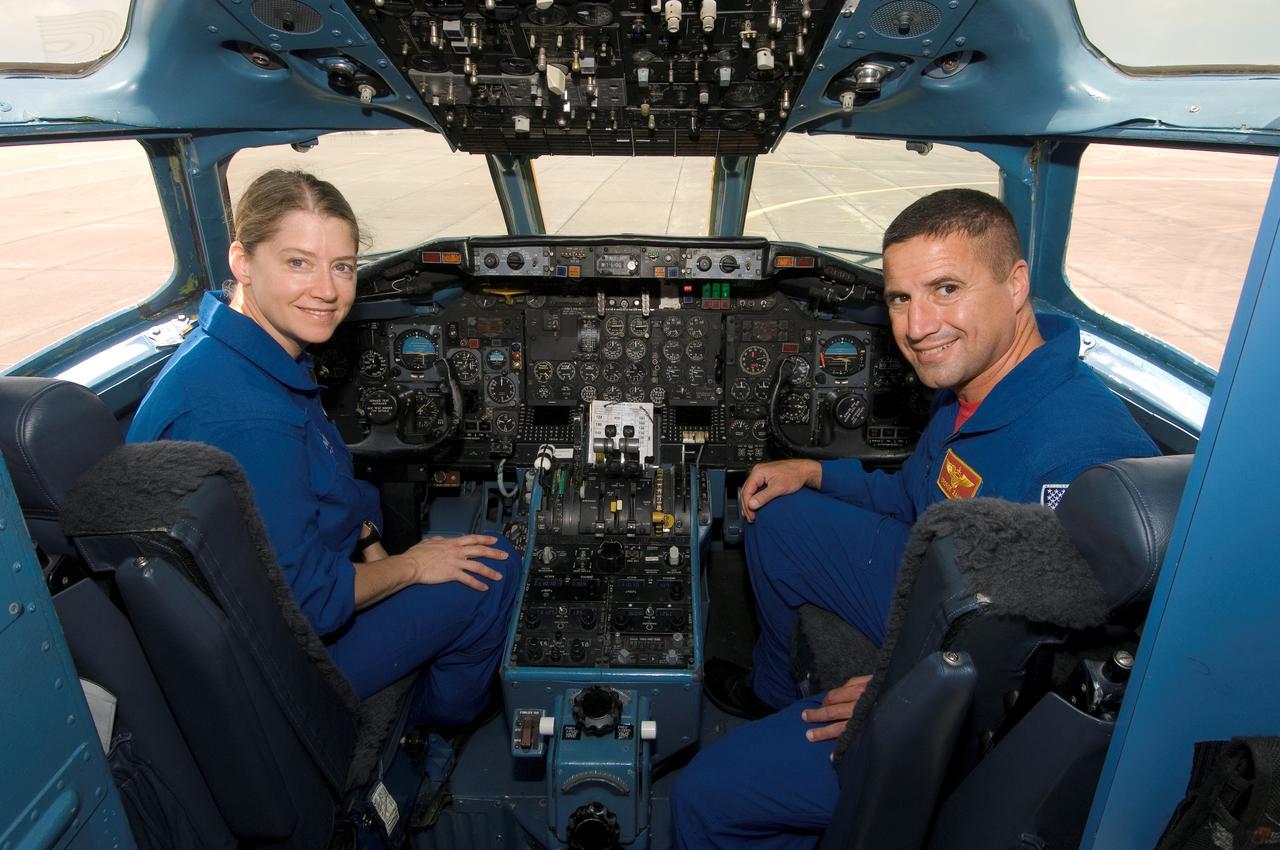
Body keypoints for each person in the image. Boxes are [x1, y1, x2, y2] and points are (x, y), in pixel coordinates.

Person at [673, 189, 1158, 849]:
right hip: (939, 590)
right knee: (775, 514)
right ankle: (772, 692)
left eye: (946, 289)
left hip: (974, 691)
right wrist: (815, 472)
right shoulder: (971, 387)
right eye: (900, 298)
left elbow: (1058, 661)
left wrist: (902, 690)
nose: (918, 326)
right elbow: (913, 495)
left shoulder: (1079, 456)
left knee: (703, 801)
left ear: (1016, 284)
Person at [128, 169, 519, 727]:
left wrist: (371, 539)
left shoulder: (244, 358)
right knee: (493, 567)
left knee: (448, 555)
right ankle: (432, 727)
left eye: (342, 266)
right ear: (242, 261)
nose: (328, 291)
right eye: (298, 262)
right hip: (277, 667)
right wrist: (411, 566)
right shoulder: (245, 417)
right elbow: (310, 601)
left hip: (260, 619)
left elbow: (309, 497)